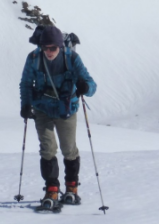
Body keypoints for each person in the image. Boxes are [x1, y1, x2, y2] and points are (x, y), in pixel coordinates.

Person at [20, 26, 97, 208]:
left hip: (66, 109)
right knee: (47, 149)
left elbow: (92, 84)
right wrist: (25, 104)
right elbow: (25, 83)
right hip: (42, 109)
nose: (48, 51)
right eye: (45, 47)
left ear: (60, 46)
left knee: (69, 149)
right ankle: (52, 189)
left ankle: (71, 188)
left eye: (53, 48)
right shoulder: (33, 58)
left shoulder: (72, 58)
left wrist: (85, 87)